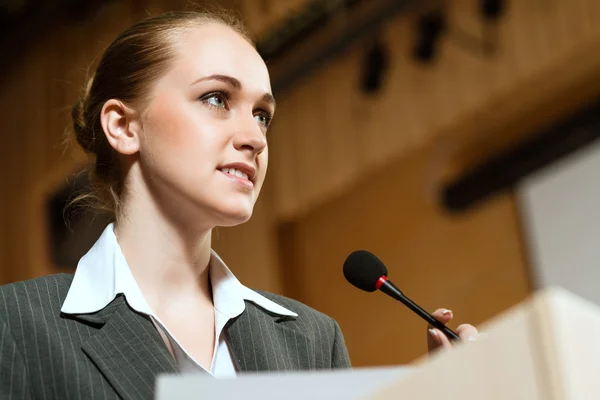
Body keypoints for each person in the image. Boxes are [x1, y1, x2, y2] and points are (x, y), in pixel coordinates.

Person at [0, 10, 478, 399]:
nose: (253, 138)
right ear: (124, 127)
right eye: (215, 98)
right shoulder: (15, 325)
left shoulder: (312, 341)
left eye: (262, 115)